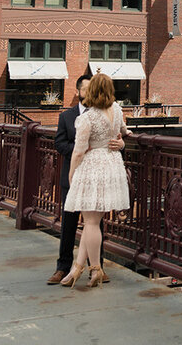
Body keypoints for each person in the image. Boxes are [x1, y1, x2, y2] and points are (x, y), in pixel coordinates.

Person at [60, 72, 130, 287]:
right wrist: (122, 143)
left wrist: (72, 173)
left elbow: (79, 151)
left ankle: (96, 268)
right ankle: (77, 269)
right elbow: (124, 132)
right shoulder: (117, 110)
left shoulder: (87, 118)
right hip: (112, 165)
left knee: (90, 222)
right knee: (94, 222)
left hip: (93, 168)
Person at [47, 75, 89, 285]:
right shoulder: (66, 116)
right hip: (71, 179)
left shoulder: (102, 115)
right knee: (68, 224)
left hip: (93, 179)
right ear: (78, 92)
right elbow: (60, 144)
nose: (89, 94)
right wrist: (80, 150)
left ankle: (95, 268)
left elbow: (115, 136)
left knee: (94, 224)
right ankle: (62, 267)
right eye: (86, 90)